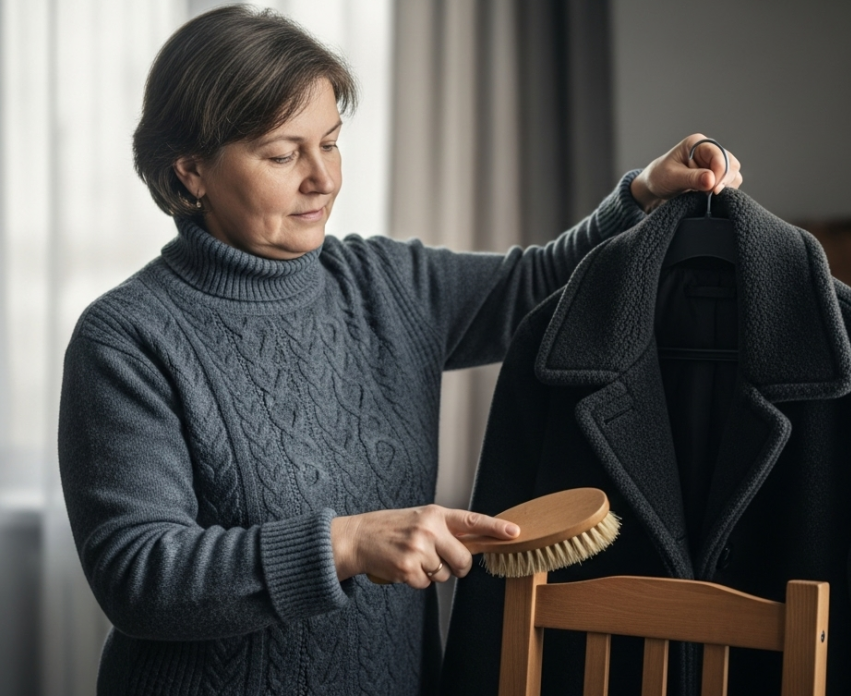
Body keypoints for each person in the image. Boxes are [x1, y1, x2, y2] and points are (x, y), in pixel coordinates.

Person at [57, 5, 740, 695]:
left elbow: (537, 284)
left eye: (330, 141)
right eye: (282, 153)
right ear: (191, 172)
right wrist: (346, 545)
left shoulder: (386, 284)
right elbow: (138, 574)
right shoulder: (128, 337)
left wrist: (643, 195)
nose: (322, 178)